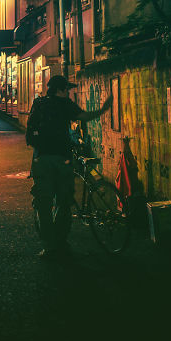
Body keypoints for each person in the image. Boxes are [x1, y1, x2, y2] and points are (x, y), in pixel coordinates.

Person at [26, 74, 112, 260]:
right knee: (63, 202)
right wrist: (104, 109)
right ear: (61, 90)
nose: (69, 93)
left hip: (41, 159)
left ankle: (50, 247)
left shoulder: (39, 104)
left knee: (43, 204)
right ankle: (60, 241)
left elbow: (30, 130)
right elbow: (85, 116)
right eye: (67, 90)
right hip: (62, 160)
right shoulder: (65, 105)